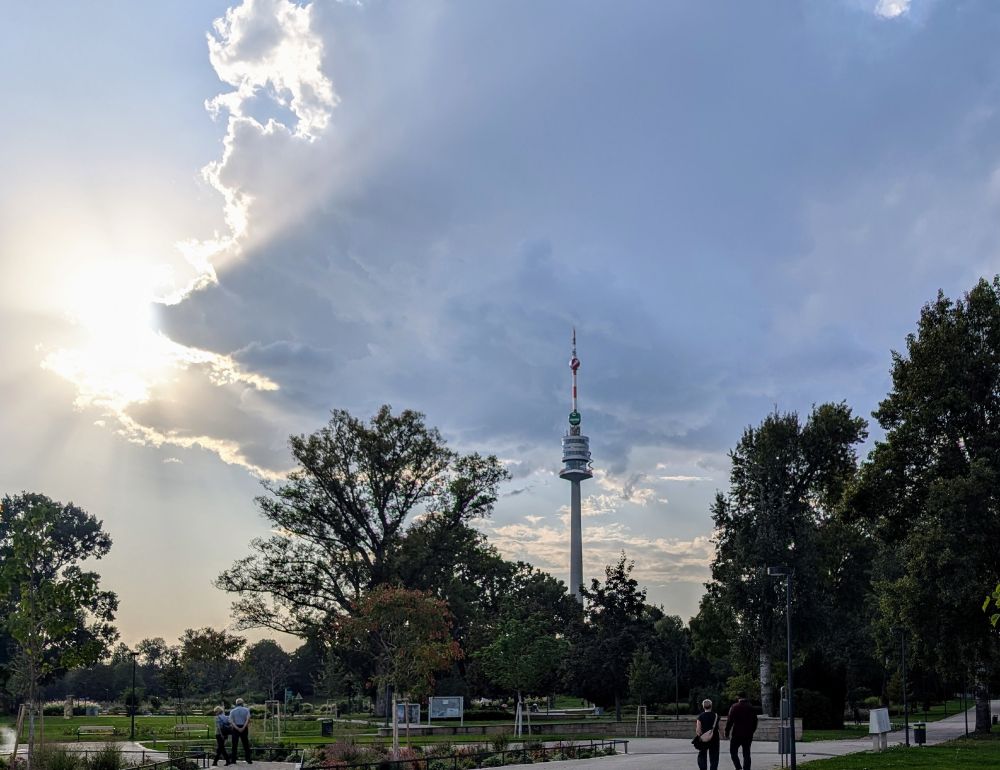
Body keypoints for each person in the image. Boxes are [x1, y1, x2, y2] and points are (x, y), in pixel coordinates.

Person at [724, 692, 758, 770]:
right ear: (746, 697)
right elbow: (755, 721)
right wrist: (752, 731)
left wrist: (727, 732)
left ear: (738, 697)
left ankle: (738, 767)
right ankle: (746, 768)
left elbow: (730, 721)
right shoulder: (751, 707)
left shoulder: (734, 707)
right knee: (746, 753)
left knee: (733, 752)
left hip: (736, 734)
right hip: (748, 734)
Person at [694, 698, 720, 770]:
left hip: (703, 739)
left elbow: (698, 730)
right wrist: (724, 735)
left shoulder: (700, 716)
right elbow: (720, 728)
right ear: (711, 706)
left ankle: (703, 768)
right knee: (714, 756)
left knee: (702, 755)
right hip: (715, 738)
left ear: (703, 706)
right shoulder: (716, 716)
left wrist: (699, 736)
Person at [229, 698, 252, 764]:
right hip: (244, 727)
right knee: (246, 744)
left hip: (235, 728)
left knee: (234, 745)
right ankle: (248, 759)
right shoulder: (247, 710)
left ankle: (233, 760)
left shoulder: (232, 711)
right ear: (242, 703)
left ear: (236, 703)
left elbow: (231, 721)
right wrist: (243, 727)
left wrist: (237, 728)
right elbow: (248, 719)